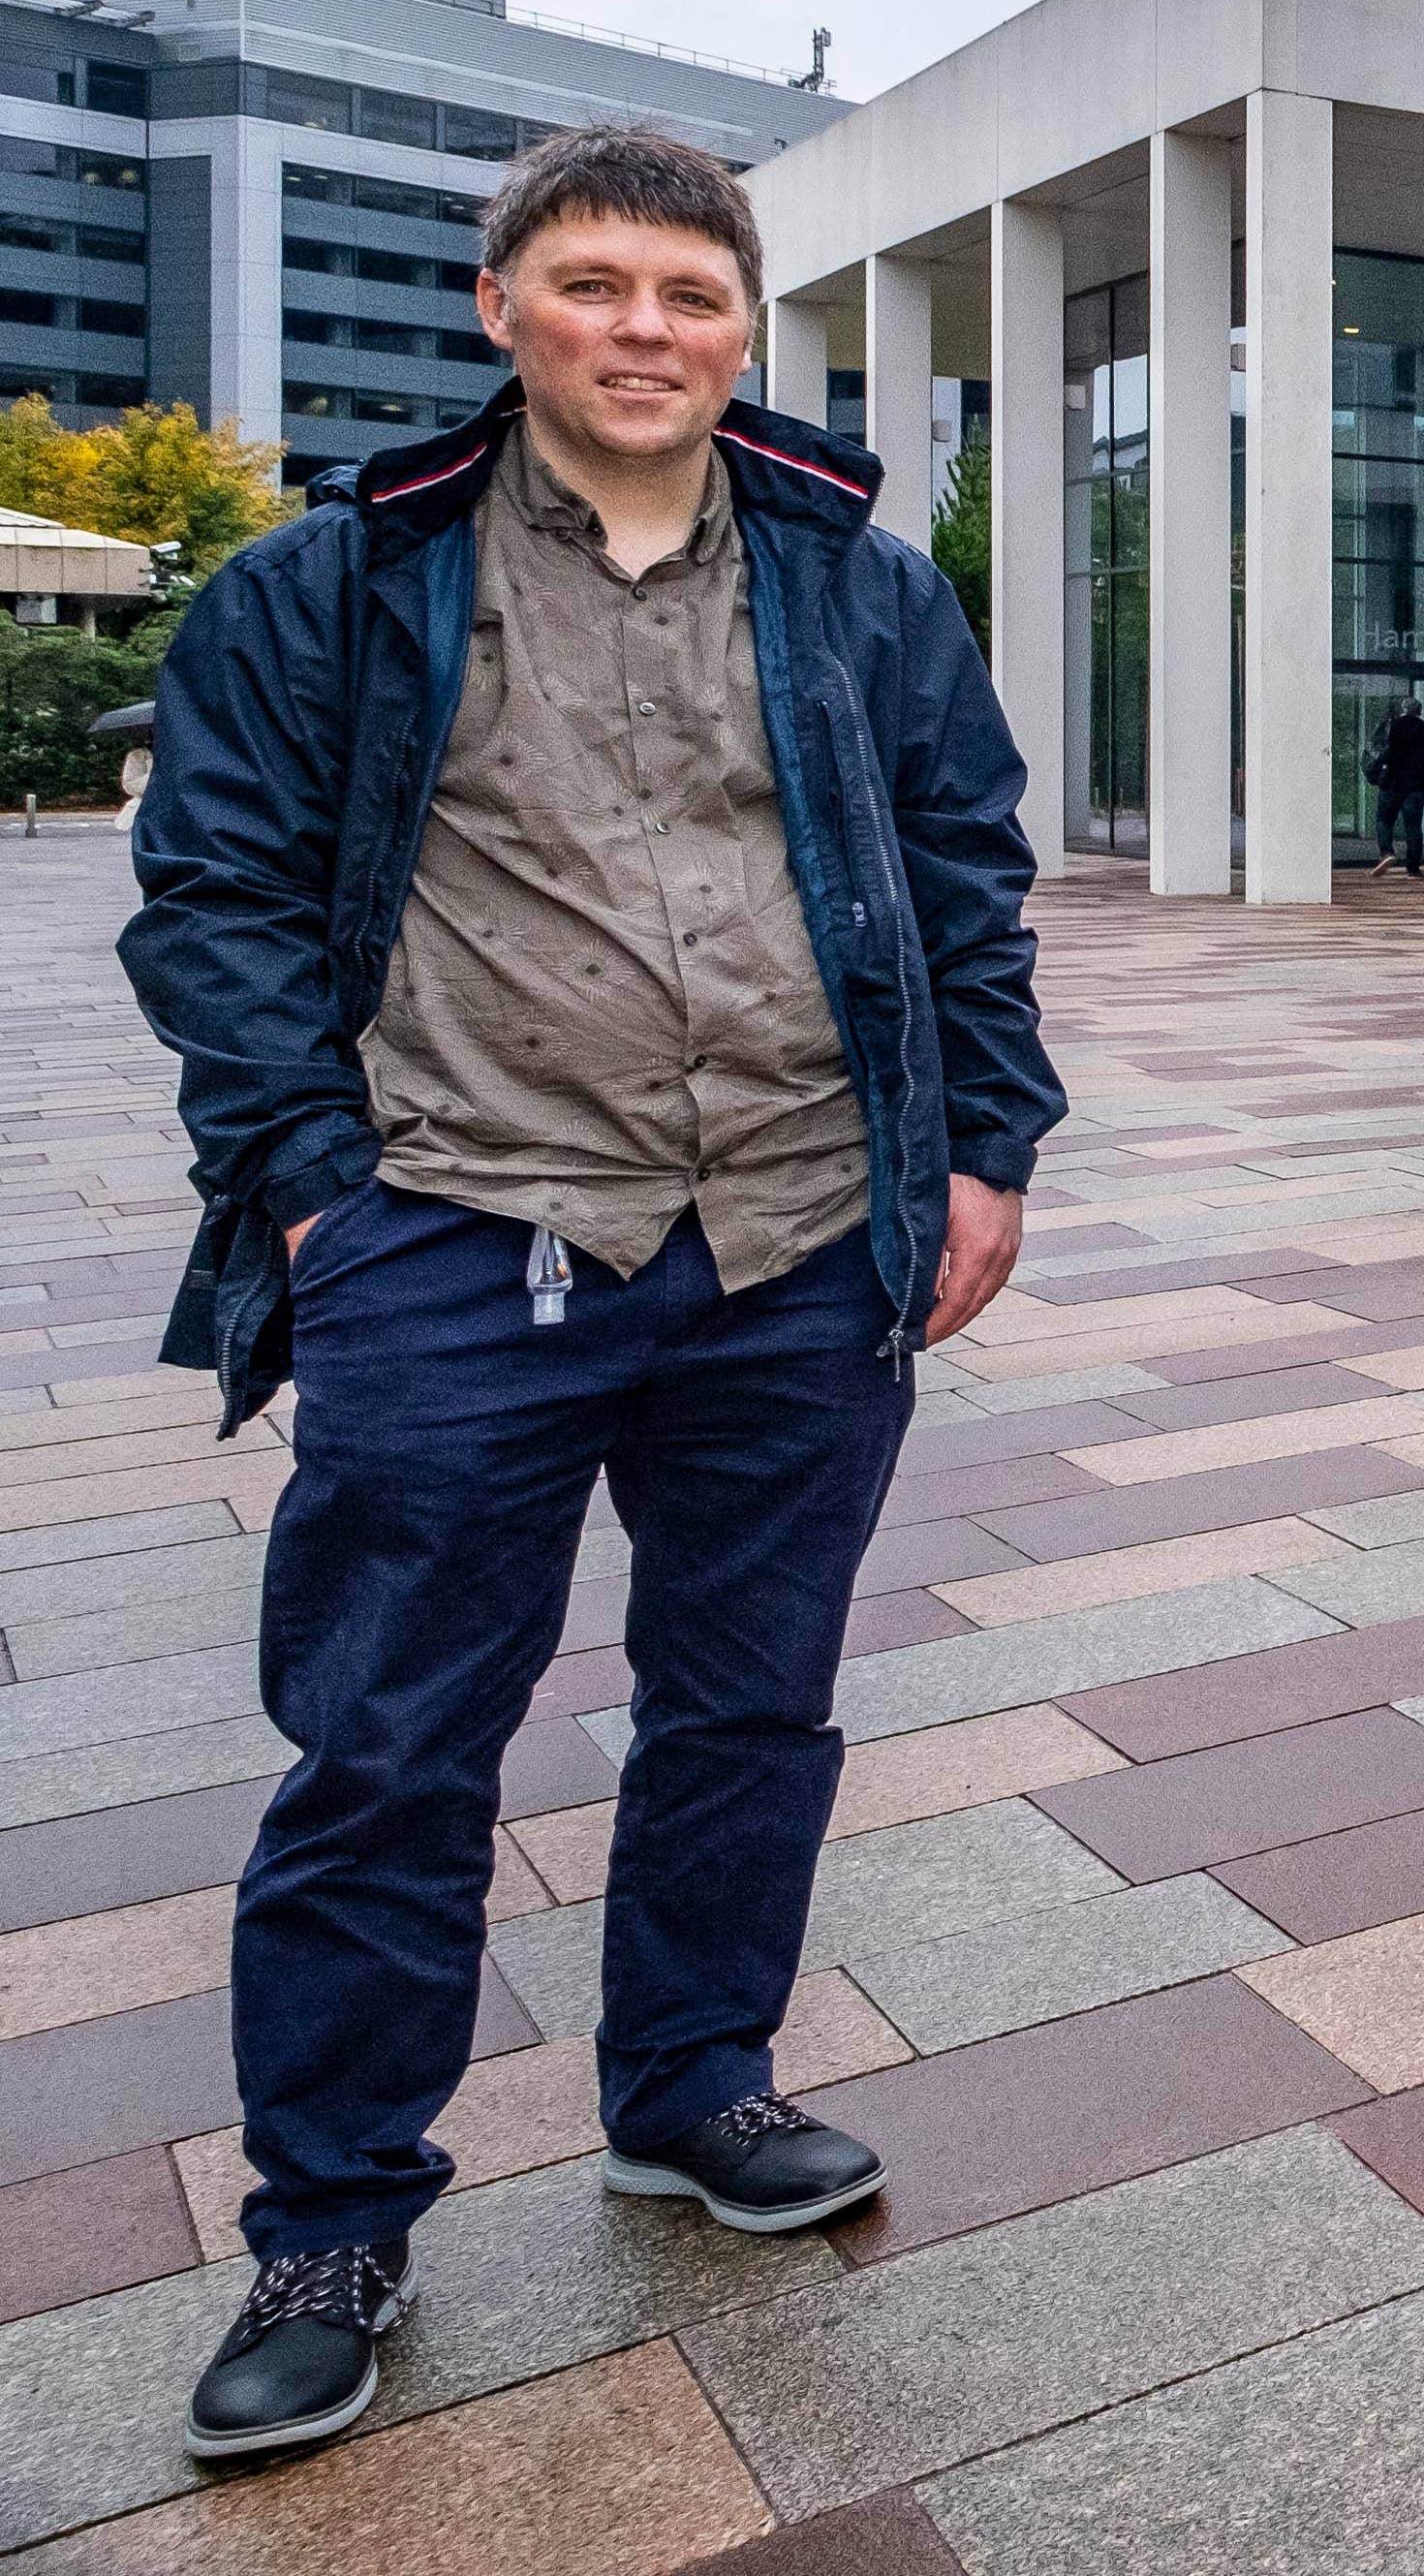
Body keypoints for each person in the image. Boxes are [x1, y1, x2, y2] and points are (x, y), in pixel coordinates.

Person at [119, 122, 1057, 2463]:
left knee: (751, 1709)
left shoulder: (855, 577)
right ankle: (333, 2219)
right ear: (502, 309)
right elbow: (215, 907)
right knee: (393, 1747)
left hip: (801, 1237)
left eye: (691, 294)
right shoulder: (334, 584)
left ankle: (694, 2092)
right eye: (597, 286)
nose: (647, 329)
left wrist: (990, 1153)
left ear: (748, 327)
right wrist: (317, 1194)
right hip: (458, 1226)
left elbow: (969, 869)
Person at [1370, 695, 1424, 875]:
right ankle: (1413, 866)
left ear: (1403, 708)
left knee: (1383, 820)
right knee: (1413, 825)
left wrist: (1377, 769)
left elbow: (1377, 749)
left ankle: (1386, 852)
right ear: (1419, 711)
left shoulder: (1391, 725)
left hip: (1391, 781)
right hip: (1416, 784)